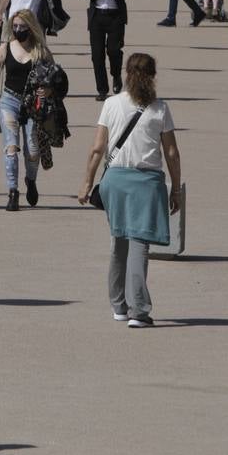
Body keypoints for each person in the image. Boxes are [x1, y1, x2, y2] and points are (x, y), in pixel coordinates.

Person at [78, 53, 188, 328]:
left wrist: (87, 183)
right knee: (140, 243)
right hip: (146, 181)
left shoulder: (111, 104)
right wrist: (175, 189)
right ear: (153, 76)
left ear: (126, 74)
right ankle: (139, 309)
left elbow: (97, 148)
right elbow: (172, 152)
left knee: (119, 241)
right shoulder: (160, 109)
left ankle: (118, 305)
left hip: (114, 179)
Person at [0, 9, 53, 211]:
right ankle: (13, 191)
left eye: (22, 27)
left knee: (33, 150)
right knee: (11, 148)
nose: (18, 30)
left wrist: (47, 93)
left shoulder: (40, 50)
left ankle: (30, 180)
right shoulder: (6, 48)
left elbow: (54, 78)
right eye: (14, 26)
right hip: (9, 101)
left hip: (33, 104)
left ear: (31, 28)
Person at [79, 0, 135, 101]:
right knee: (97, 55)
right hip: (97, 16)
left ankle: (116, 75)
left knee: (114, 50)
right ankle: (102, 89)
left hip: (115, 16)